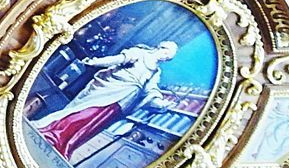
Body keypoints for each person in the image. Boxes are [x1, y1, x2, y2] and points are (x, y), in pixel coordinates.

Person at [28, 41, 178, 160]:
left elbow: (151, 90)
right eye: (166, 52)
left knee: (92, 123)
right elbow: (118, 59)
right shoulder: (141, 53)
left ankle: (64, 144)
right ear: (160, 47)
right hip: (109, 88)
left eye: (168, 57)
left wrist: (161, 103)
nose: (165, 57)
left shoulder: (156, 71)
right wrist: (95, 62)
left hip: (122, 100)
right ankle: (52, 132)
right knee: (82, 114)